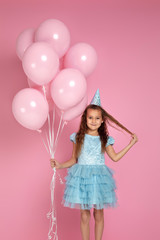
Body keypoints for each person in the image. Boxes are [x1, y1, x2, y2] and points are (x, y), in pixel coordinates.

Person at [50, 89, 138, 240]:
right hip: (82, 178)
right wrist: (60, 165)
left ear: (102, 120)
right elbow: (73, 160)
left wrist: (131, 144)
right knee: (84, 215)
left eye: (97, 118)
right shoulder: (78, 137)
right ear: (85, 119)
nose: (93, 121)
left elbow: (115, 157)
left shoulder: (104, 139)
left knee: (98, 213)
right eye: (90, 117)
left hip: (98, 179)